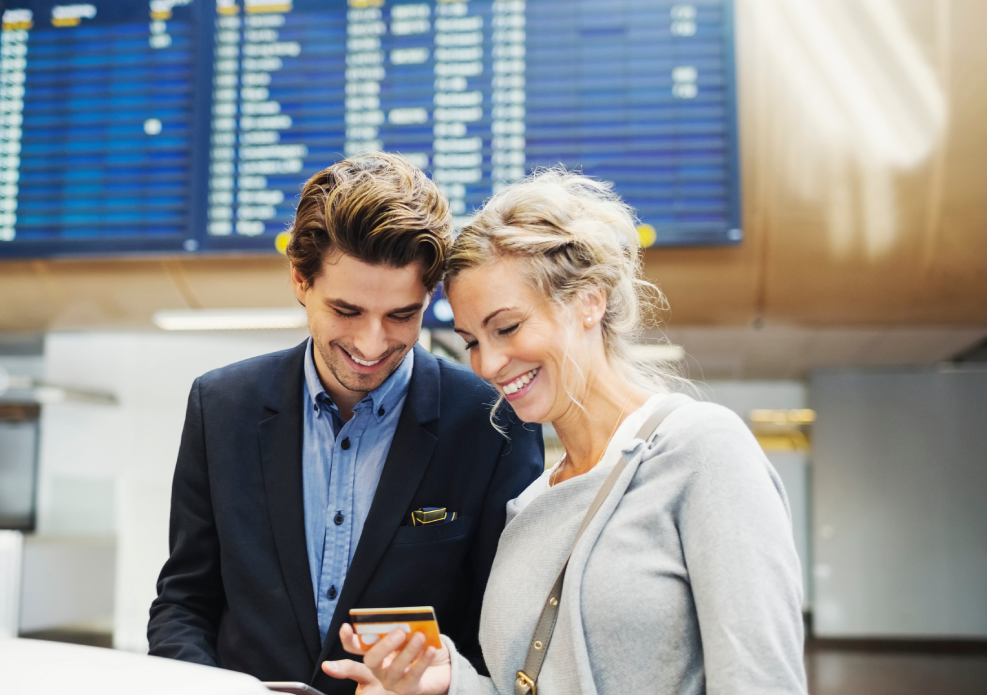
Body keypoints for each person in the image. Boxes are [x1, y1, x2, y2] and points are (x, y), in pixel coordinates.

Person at [322, 169, 807, 695]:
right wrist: (444, 682)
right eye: (472, 341)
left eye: (506, 328)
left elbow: (762, 681)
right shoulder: (530, 504)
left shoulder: (702, 451)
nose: (489, 364)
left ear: (589, 301)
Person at [147, 153, 545, 694]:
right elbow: (184, 601)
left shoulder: (493, 423)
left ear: (428, 299)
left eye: (401, 315)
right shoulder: (221, 406)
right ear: (299, 280)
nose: (371, 344)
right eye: (348, 311)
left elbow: (505, 634)